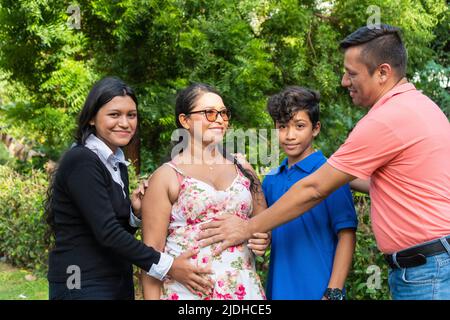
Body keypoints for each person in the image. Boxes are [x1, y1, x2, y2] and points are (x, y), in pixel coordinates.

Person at [198, 24, 450, 300]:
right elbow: (389, 183)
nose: (344, 81)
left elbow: (315, 189)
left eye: (351, 73)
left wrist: (246, 228)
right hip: (428, 266)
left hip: (428, 272)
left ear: (383, 72)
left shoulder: (386, 118)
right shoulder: (420, 106)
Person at [46, 77, 213, 300]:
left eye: (131, 115)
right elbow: (107, 233)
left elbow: (111, 227)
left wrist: (134, 213)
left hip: (113, 278)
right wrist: (169, 265)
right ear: (92, 119)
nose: (125, 123)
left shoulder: (115, 161)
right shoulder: (82, 160)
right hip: (78, 278)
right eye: (114, 114)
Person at [140, 83, 270, 300]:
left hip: (243, 291)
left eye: (223, 113)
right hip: (187, 294)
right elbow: (151, 258)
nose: (219, 119)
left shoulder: (243, 168)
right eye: (209, 113)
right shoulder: (166, 175)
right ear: (185, 120)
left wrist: (262, 239)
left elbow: (263, 224)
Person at [263, 86, 357, 300]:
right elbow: (263, 232)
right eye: (282, 127)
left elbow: (346, 235)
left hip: (318, 290)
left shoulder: (330, 175)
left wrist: (332, 293)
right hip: (278, 290)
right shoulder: (271, 180)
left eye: (299, 126)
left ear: (315, 129)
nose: (290, 135)